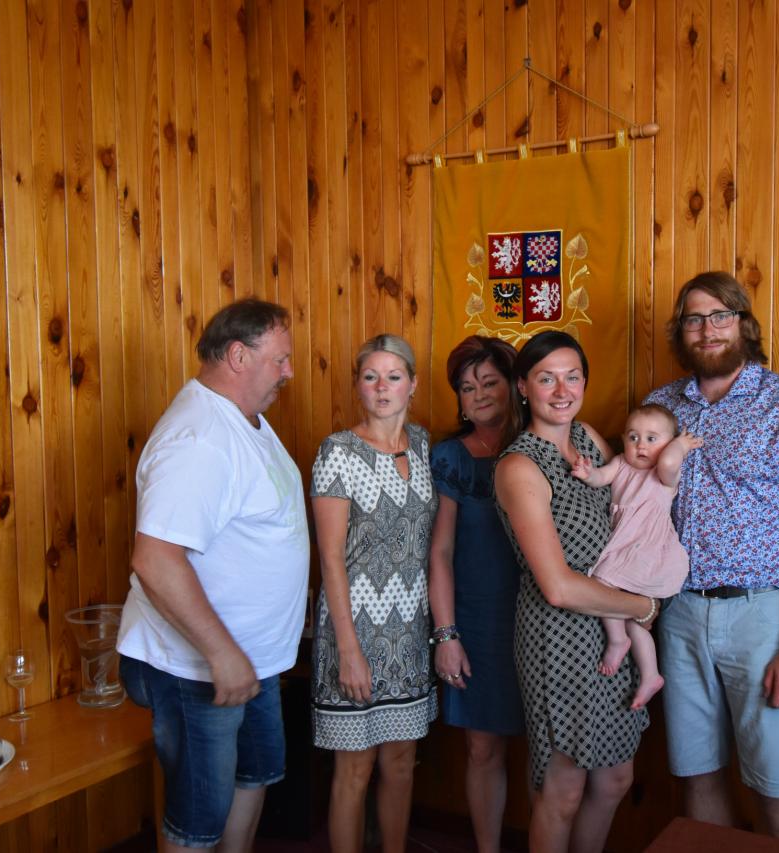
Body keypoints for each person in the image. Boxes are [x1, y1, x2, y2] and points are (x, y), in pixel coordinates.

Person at [646, 272, 779, 844]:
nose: (707, 329)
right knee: (697, 775)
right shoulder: (661, 407)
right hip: (679, 614)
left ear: (743, 324)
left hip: (764, 618)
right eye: (694, 318)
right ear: (681, 330)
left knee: (773, 785)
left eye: (721, 315)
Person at [116, 297, 309, 853]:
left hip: (253, 657)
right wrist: (222, 654)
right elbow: (156, 559)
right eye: (280, 360)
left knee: (255, 774)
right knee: (198, 817)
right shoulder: (199, 438)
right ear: (238, 356)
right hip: (198, 666)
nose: (289, 372)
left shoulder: (243, 419)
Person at [494, 330, 659, 853]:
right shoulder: (519, 466)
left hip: (613, 629)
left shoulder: (587, 438)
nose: (562, 390)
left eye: (573, 377)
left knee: (614, 779)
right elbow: (558, 587)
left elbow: (635, 495)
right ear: (523, 387)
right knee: (563, 789)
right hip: (559, 636)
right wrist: (644, 606)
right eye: (547, 379)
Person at [310, 334, 438, 853]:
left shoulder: (423, 445)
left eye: (393, 376)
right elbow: (330, 560)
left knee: (402, 763)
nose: (382, 387)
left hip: (409, 633)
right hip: (354, 632)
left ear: (413, 384)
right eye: (371, 377)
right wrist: (348, 650)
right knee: (355, 768)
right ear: (358, 386)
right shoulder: (338, 452)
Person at [427, 335, 525, 853]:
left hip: (543, 620)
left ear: (514, 386)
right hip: (477, 622)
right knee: (483, 749)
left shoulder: (545, 444)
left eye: (489, 382)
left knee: (553, 751)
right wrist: (447, 635)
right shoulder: (451, 457)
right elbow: (440, 553)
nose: (479, 394)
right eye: (467, 388)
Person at [569, 404, 702, 710]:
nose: (641, 445)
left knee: (601, 585)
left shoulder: (664, 475)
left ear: (667, 445)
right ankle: (651, 674)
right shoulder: (621, 463)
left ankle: (617, 641)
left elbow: (669, 460)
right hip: (626, 548)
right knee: (631, 620)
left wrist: (680, 445)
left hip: (648, 551)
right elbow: (601, 477)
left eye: (652, 439)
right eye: (633, 437)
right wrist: (588, 473)